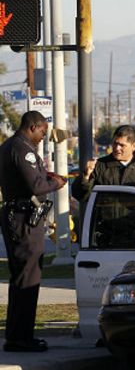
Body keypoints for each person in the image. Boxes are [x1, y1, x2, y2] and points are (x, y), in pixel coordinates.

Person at [0, 111, 67, 352]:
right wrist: (56, 183)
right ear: (33, 127)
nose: (43, 137)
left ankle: (17, 335)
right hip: (23, 219)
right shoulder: (23, 148)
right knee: (28, 278)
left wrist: (47, 175)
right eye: (42, 132)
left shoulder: (10, 146)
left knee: (22, 278)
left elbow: (26, 177)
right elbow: (36, 185)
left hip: (18, 216)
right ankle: (21, 338)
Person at [73, 125, 135, 213]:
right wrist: (85, 177)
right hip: (106, 226)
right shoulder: (100, 166)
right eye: (115, 144)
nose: (117, 148)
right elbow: (79, 195)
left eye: (122, 145)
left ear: (134, 146)